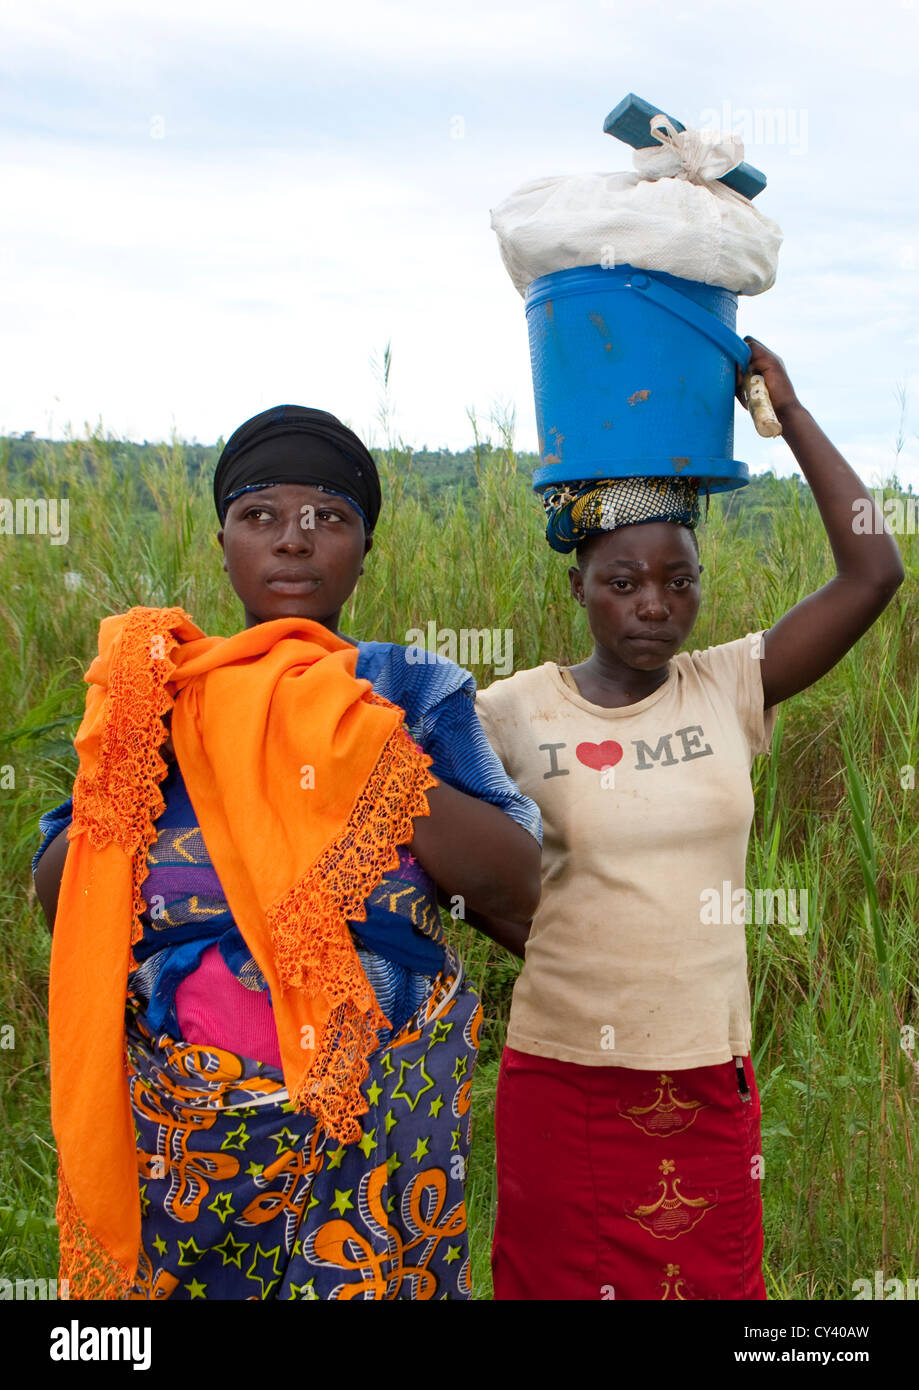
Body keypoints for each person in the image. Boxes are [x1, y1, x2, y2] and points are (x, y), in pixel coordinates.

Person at [33, 403, 541, 1301]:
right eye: (260, 515)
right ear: (223, 538)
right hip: (184, 1114)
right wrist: (129, 761)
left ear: (363, 545)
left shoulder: (410, 692)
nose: (294, 542)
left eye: (329, 518)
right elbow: (61, 897)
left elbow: (513, 879)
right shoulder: (161, 691)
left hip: (379, 1100)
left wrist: (359, 754)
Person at [471, 339, 904, 1301]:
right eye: (622, 582)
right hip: (563, 1071)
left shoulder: (728, 688)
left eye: (679, 579)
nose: (655, 606)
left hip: (704, 1071)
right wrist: (516, 929)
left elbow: (873, 571)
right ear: (576, 586)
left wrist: (784, 411)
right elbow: (438, 847)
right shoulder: (509, 714)